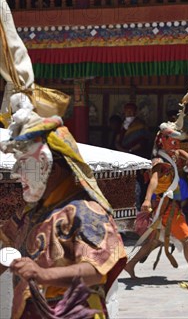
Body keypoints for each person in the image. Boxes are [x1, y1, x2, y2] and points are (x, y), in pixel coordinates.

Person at [0, 94, 126, 318]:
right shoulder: (29, 213)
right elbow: (6, 244)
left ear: (51, 168)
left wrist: (43, 274)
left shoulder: (85, 211)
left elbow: (96, 270)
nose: (17, 174)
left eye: (24, 165)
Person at [124, 122, 188, 280]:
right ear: (162, 141)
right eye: (172, 141)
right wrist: (146, 200)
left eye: (177, 141)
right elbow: (154, 180)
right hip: (165, 205)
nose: (176, 144)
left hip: (166, 203)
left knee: (155, 241)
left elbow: (181, 152)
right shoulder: (159, 162)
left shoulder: (172, 154)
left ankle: (130, 265)